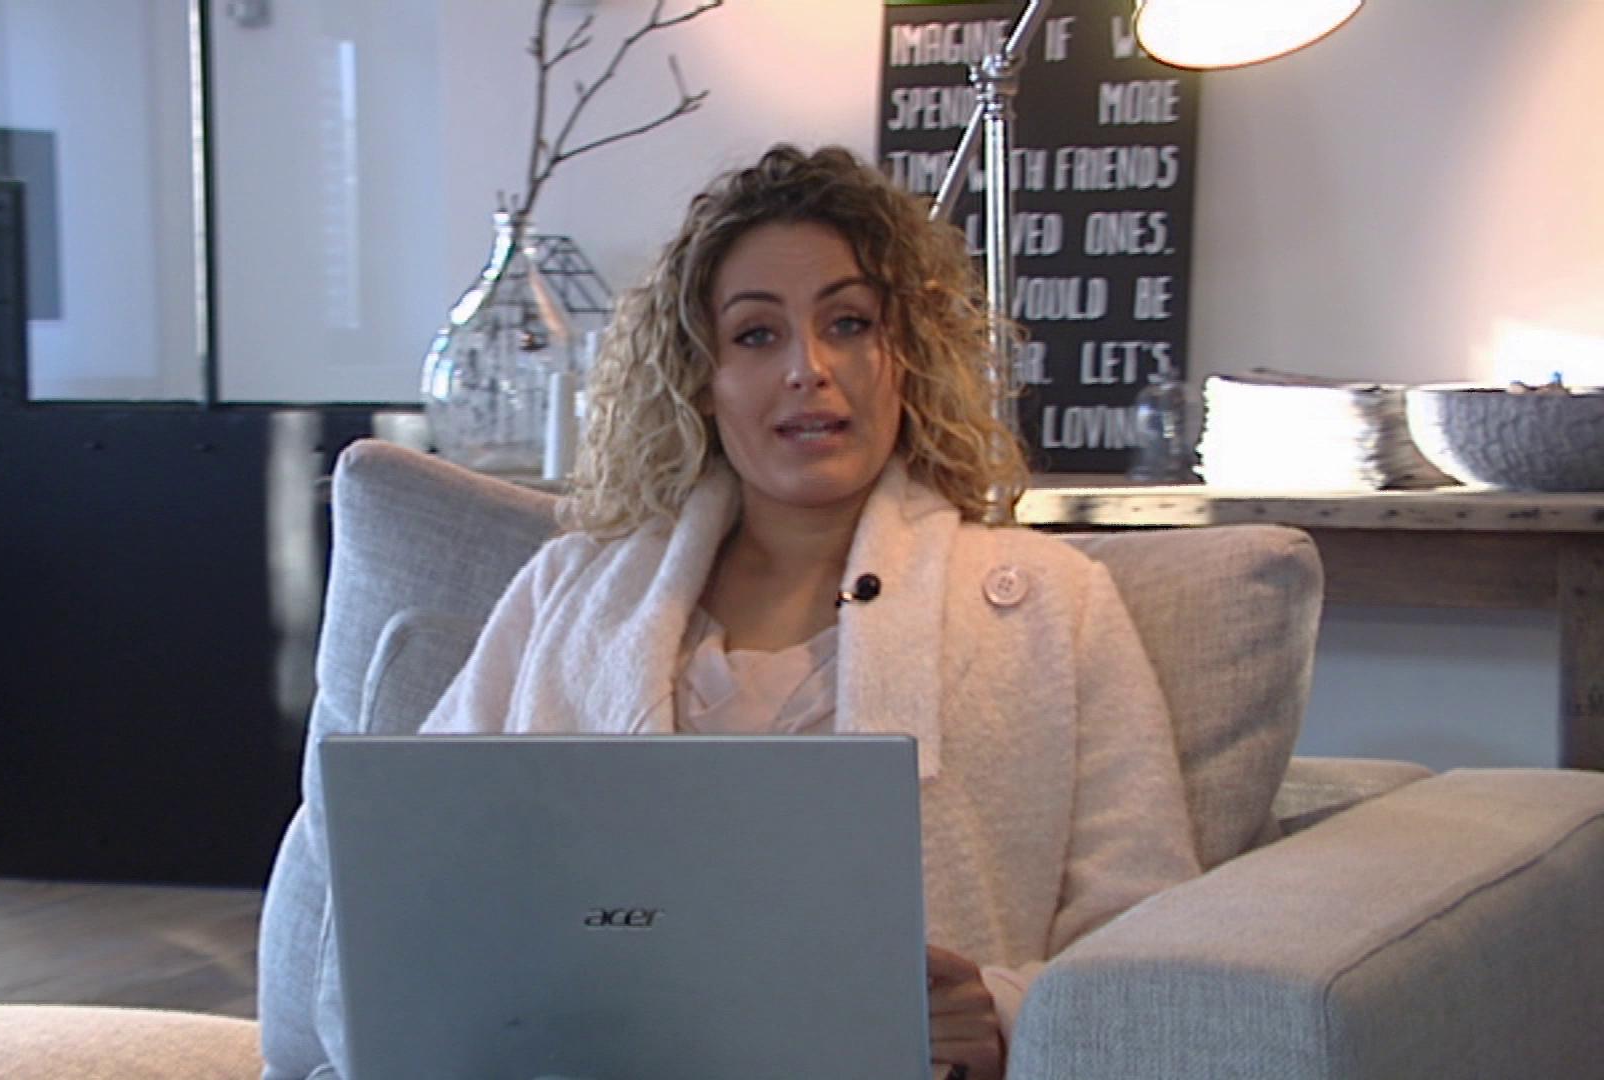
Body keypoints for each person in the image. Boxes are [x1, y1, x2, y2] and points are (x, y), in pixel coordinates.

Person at [414, 144, 1201, 1079]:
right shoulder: (570, 591)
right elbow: (414, 871)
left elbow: (1154, 942)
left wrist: (1004, 1016)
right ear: (700, 377)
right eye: (757, 334)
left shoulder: (1054, 605)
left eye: (850, 323)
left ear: (907, 357)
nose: (808, 369)